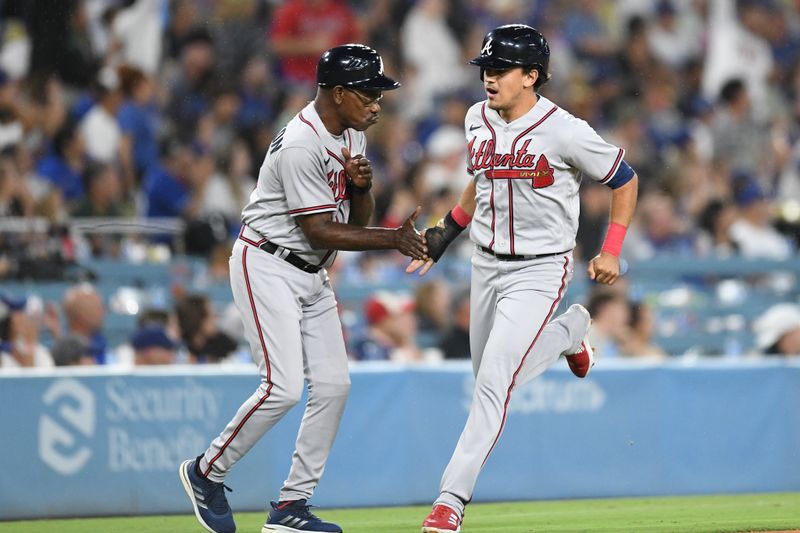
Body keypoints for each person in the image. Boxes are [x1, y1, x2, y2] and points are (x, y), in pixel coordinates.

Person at [179, 44, 426, 533]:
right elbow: (319, 230)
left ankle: (291, 507)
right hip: (266, 261)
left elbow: (356, 220)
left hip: (311, 272)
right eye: (369, 92)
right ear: (338, 93)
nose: (377, 102)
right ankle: (206, 472)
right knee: (284, 387)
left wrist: (363, 190)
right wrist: (393, 240)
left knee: (335, 385)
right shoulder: (300, 142)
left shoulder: (351, 134)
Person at [406, 24, 639, 532]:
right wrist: (449, 229)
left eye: (502, 69)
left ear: (532, 75)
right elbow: (483, 179)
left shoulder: (565, 130)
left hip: (540, 266)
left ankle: (449, 501)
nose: (489, 78)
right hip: (485, 263)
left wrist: (612, 250)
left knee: (493, 383)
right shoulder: (475, 118)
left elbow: (625, 179)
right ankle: (570, 331)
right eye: (486, 69)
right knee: (488, 377)